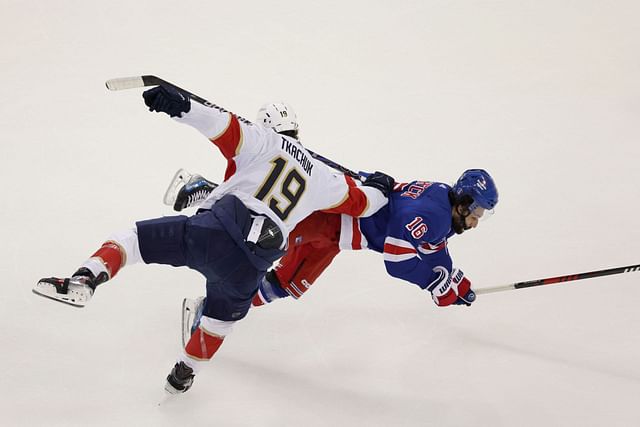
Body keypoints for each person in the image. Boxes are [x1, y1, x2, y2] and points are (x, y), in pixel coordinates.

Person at [33, 86, 392, 394]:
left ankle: (84, 279)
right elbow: (362, 205)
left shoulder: (261, 138)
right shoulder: (322, 175)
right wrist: (379, 188)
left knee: (132, 240)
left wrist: (179, 106)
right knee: (219, 322)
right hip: (251, 266)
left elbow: (220, 124)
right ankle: (182, 375)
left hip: (214, 234)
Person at [167, 105, 498, 342]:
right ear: (465, 203)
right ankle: (206, 190)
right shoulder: (432, 213)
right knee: (251, 234)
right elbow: (397, 261)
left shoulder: (442, 204)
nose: (476, 221)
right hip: (328, 215)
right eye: (477, 212)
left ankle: (209, 308)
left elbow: (433, 248)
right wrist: (434, 283)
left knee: (287, 284)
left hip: (338, 238)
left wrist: (454, 282)